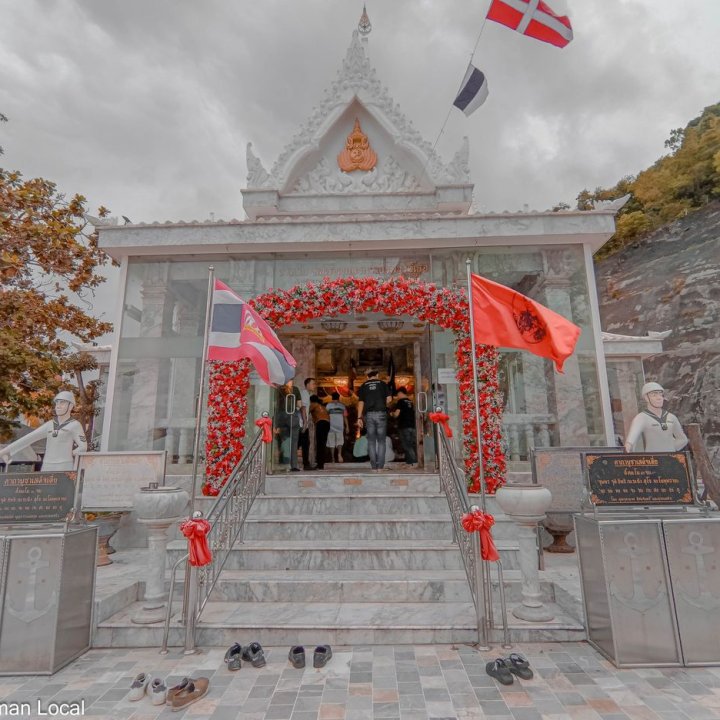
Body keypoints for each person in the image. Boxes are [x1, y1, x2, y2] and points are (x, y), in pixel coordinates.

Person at [0, 390, 87, 472]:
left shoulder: (75, 425)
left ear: (70, 406)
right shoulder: (49, 425)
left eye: (62, 403)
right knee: (44, 487)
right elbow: (28, 438)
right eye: (57, 403)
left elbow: (83, 447)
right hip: (47, 465)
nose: (58, 406)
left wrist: (70, 453)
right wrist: (6, 451)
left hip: (64, 465)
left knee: (62, 487)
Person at [624, 382, 688, 453]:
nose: (659, 398)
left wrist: (670, 448)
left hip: (671, 459)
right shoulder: (641, 418)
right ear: (646, 398)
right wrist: (628, 448)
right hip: (652, 460)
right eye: (654, 395)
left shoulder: (671, 417)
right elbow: (631, 440)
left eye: (661, 395)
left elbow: (683, 439)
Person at [356, 369, 391, 472]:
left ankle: (374, 468)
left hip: (369, 415)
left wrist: (359, 418)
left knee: (371, 442)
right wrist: (383, 403)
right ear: (377, 375)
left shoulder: (363, 386)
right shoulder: (383, 384)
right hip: (381, 414)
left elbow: (361, 402)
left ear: (367, 377)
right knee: (381, 442)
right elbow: (389, 399)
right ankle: (380, 467)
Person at [274, 380, 303, 471]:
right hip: (292, 415)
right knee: (294, 442)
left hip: (281, 416)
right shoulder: (295, 389)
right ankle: (293, 465)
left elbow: (275, 404)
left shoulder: (278, 389)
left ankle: (284, 463)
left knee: (283, 441)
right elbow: (299, 404)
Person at [391, 387, 417, 467]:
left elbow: (397, 414)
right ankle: (410, 463)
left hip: (404, 426)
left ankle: (414, 462)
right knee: (411, 445)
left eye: (397, 394)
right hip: (412, 426)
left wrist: (392, 414)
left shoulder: (400, 401)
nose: (397, 396)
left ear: (400, 393)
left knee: (407, 445)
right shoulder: (410, 402)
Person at [309, 395, 330, 470]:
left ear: (311, 400)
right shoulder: (322, 406)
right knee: (323, 444)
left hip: (321, 423)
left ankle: (320, 464)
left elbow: (306, 411)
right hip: (327, 424)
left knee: (319, 444)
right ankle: (321, 463)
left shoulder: (313, 404)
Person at [299, 378, 317, 470]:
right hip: (301, 423)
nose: (314, 385)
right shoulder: (304, 394)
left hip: (303, 422)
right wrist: (305, 422)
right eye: (313, 384)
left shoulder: (307, 394)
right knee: (305, 443)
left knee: (305, 443)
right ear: (307, 385)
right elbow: (303, 408)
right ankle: (306, 464)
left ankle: (306, 464)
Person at [326, 392, 348, 463]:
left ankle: (333, 458)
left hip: (330, 426)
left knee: (331, 442)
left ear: (332, 397)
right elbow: (345, 417)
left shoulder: (328, 406)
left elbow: (326, 416)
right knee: (340, 441)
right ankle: (339, 454)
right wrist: (347, 426)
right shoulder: (342, 406)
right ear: (339, 398)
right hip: (340, 426)